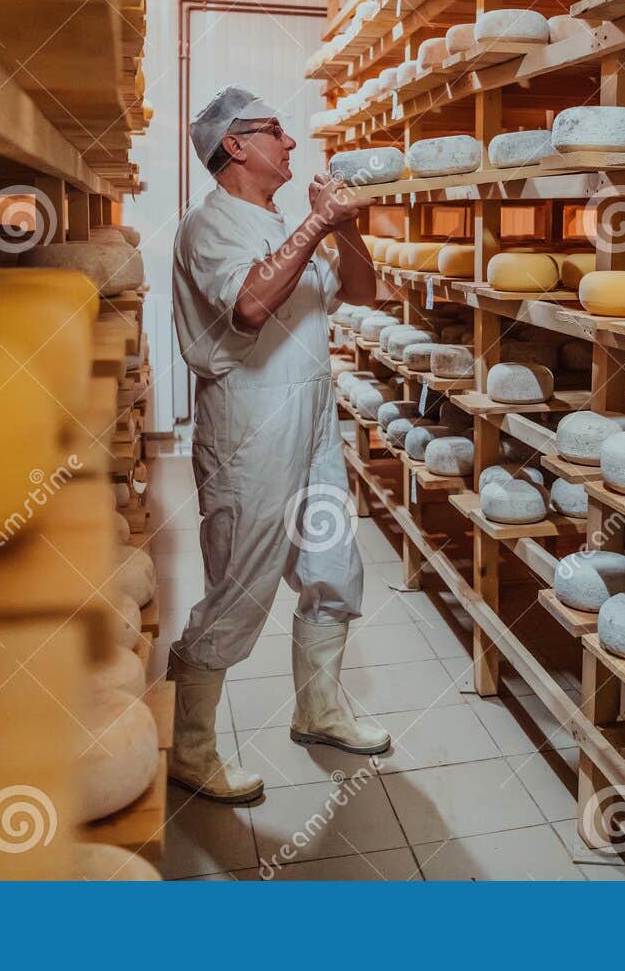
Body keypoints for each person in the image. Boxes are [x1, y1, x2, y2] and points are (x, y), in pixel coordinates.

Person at [168, 85, 385, 804]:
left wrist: (346, 226)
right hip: (249, 427)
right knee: (241, 581)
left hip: (314, 423)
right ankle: (192, 749)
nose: (291, 144)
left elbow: (361, 289)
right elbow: (251, 306)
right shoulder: (210, 226)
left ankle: (318, 710)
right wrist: (318, 222)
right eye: (277, 132)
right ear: (236, 146)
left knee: (331, 565)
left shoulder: (282, 221)